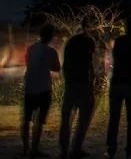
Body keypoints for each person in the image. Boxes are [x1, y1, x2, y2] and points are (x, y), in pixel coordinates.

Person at [105, 16, 131, 159]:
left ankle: (111, 149)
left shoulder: (119, 41)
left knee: (114, 118)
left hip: (117, 82)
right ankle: (130, 150)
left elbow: (116, 59)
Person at [22, 24, 61, 159]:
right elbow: (57, 68)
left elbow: (28, 63)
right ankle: (34, 150)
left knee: (26, 119)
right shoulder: (52, 51)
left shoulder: (31, 48)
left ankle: (25, 149)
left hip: (30, 88)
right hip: (44, 89)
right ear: (50, 37)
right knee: (39, 121)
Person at [60, 18, 96, 159]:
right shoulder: (89, 41)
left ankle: (64, 150)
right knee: (83, 119)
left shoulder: (71, 41)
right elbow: (91, 63)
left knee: (66, 118)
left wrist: (67, 79)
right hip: (83, 84)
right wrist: (92, 79)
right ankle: (76, 148)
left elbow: (65, 64)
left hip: (71, 83)